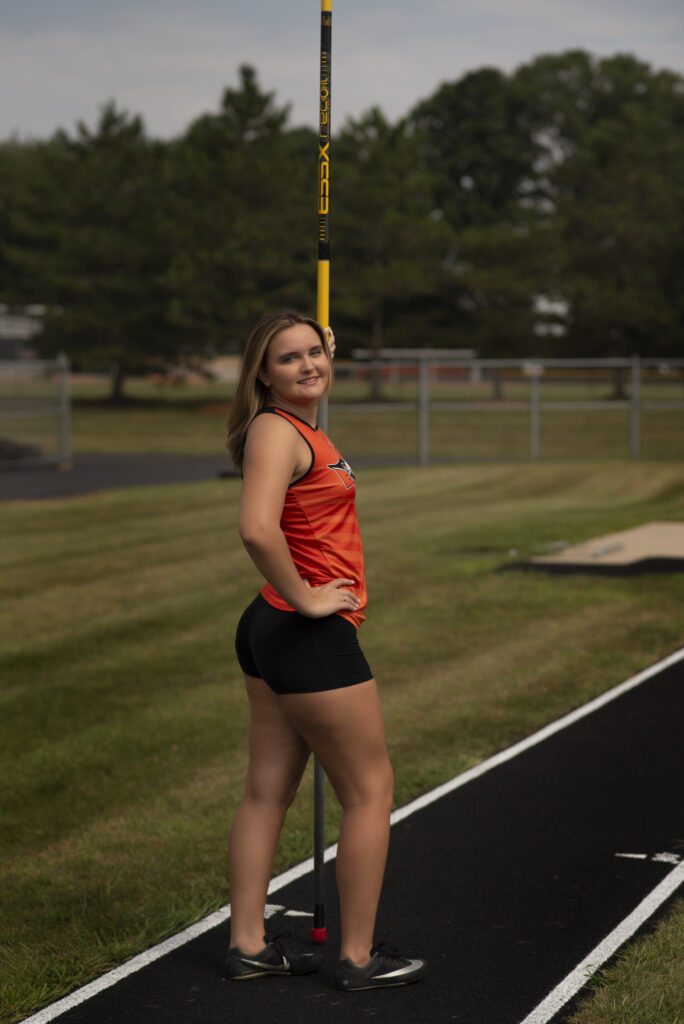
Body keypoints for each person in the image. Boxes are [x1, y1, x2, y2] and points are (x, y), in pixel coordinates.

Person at [224, 311, 427, 991]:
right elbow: (256, 528)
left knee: (265, 791)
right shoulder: (278, 432)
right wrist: (310, 597)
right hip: (303, 631)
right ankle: (360, 958)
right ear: (262, 373)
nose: (308, 365)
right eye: (289, 359)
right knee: (370, 793)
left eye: (317, 353)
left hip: (269, 628)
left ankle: (249, 945)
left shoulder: (291, 424)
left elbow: (306, 365)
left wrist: (311, 351)